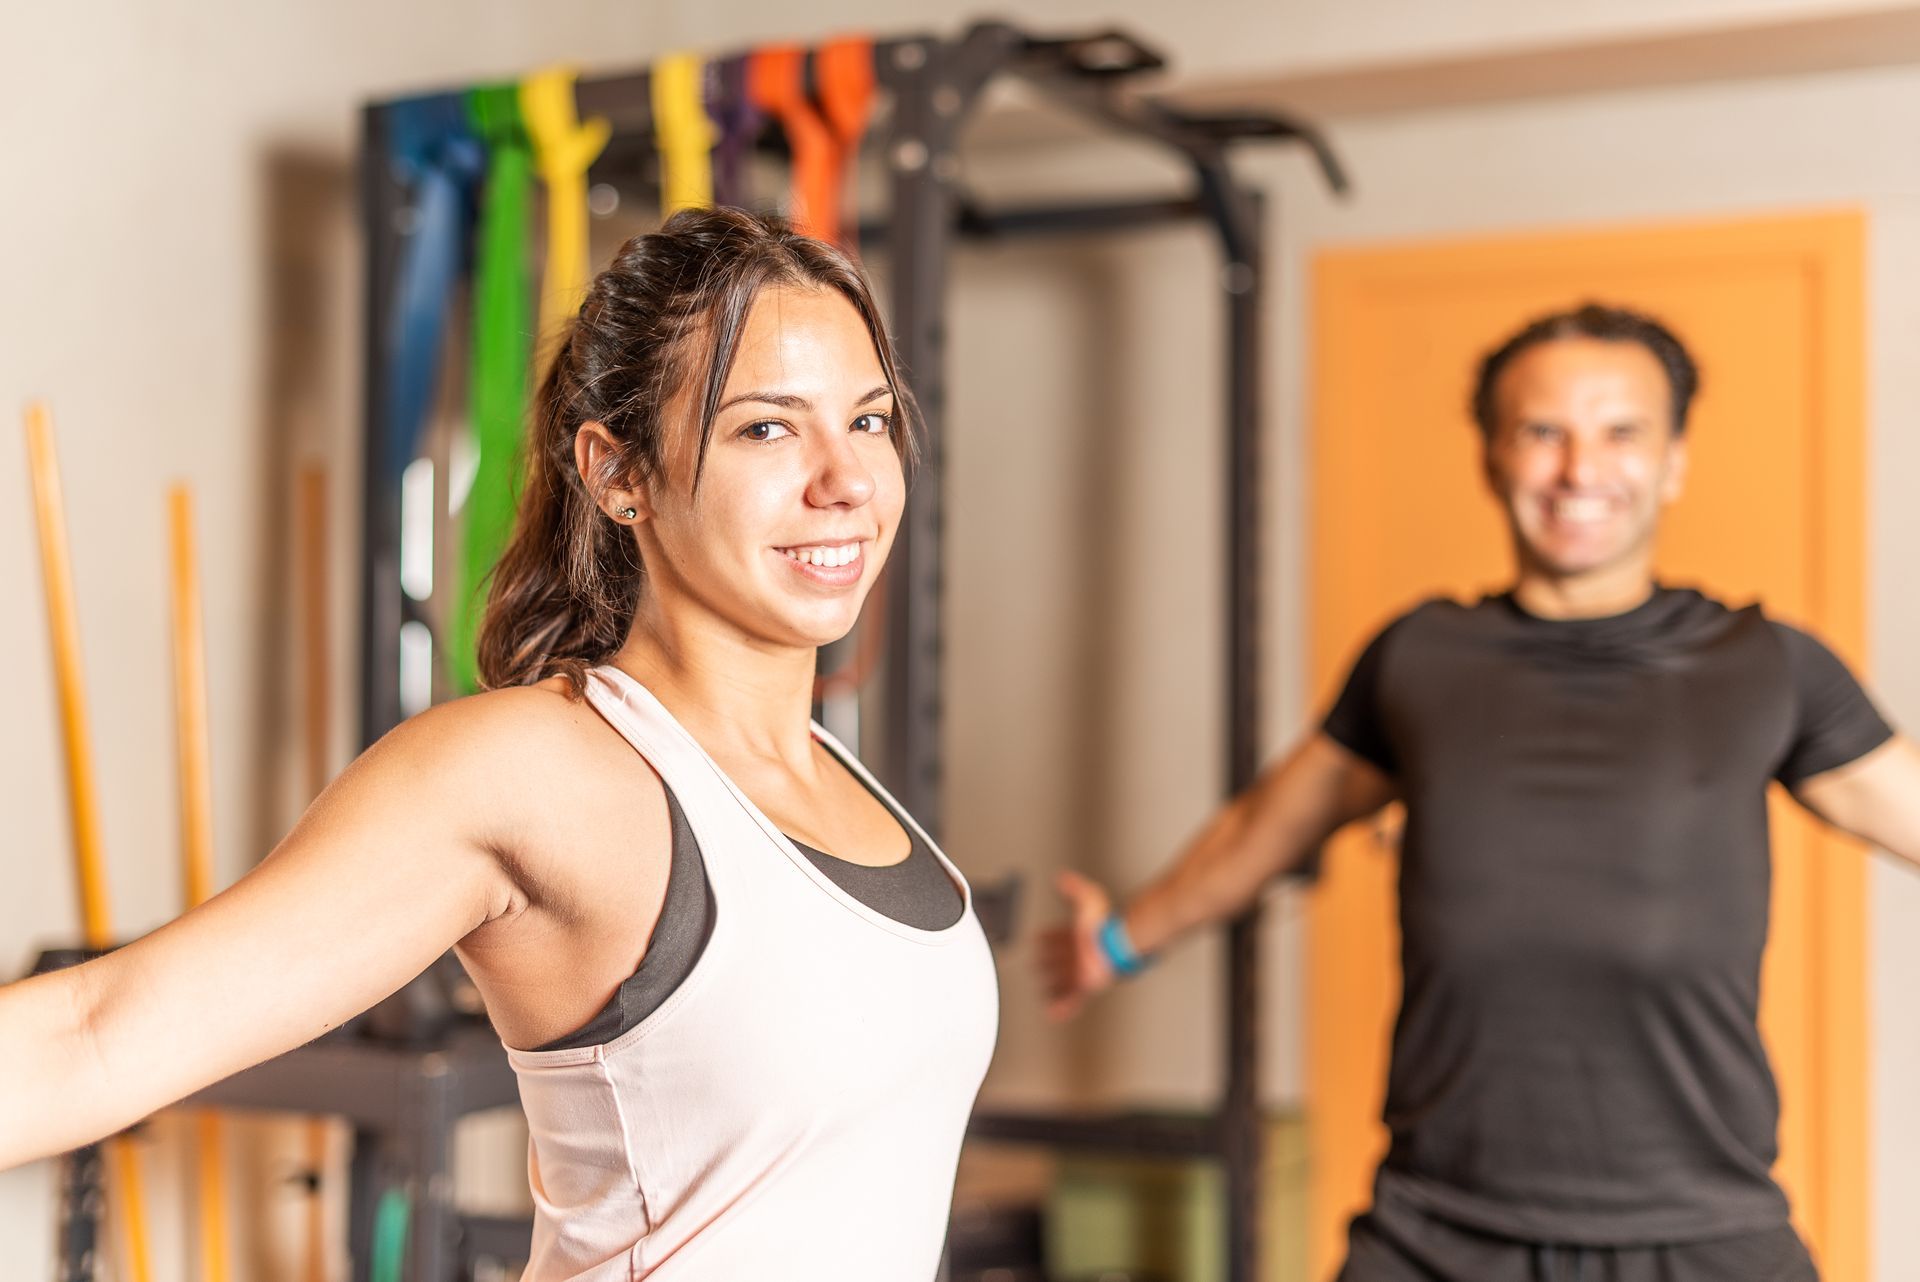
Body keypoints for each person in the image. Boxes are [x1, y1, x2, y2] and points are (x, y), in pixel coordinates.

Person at [1, 208, 999, 1281]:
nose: (845, 479)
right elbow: (96, 1033)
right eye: (766, 427)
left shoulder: (835, 779)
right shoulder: (537, 770)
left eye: (870, 421)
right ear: (619, 475)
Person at [1042, 303, 1920, 1281]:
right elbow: (1267, 824)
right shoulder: (1418, 655)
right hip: (1435, 1232)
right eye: (1544, 432)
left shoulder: (1768, 666)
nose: (1581, 470)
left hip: (1701, 1231)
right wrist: (1117, 942)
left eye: (1621, 432)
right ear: (1493, 457)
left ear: (1674, 460)